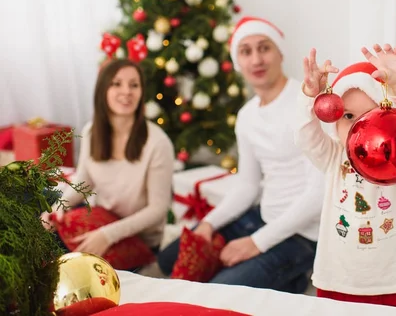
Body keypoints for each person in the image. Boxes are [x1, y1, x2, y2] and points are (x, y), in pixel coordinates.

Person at [158, 16, 324, 294]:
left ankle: (293, 276)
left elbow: (319, 194)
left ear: (280, 52)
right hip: (263, 216)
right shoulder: (247, 116)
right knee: (168, 259)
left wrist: (256, 243)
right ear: (238, 62)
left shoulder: (307, 103)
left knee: (218, 294)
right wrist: (209, 223)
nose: (256, 59)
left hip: (304, 234)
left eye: (264, 48)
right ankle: (276, 278)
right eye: (246, 51)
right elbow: (247, 184)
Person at [294, 44, 396, 309]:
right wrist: (309, 97)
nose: (359, 127)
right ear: (334, 119)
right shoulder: (334, 156)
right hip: (337, 276)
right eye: (348, 116)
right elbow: (305, 137)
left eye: (370, 116)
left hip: (392, 278)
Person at [41, 59, 175, 257]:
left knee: (60, 249)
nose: (127, 91)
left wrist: (108, 235)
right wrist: (57, 209)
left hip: (138, 238)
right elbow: (83, 182)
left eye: (134, 85)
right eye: (117, 83)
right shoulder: (91, 131)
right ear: (103, 90)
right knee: (34, 201)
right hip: (102, 217)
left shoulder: (157, 143)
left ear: (141, 93)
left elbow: (158, 209)